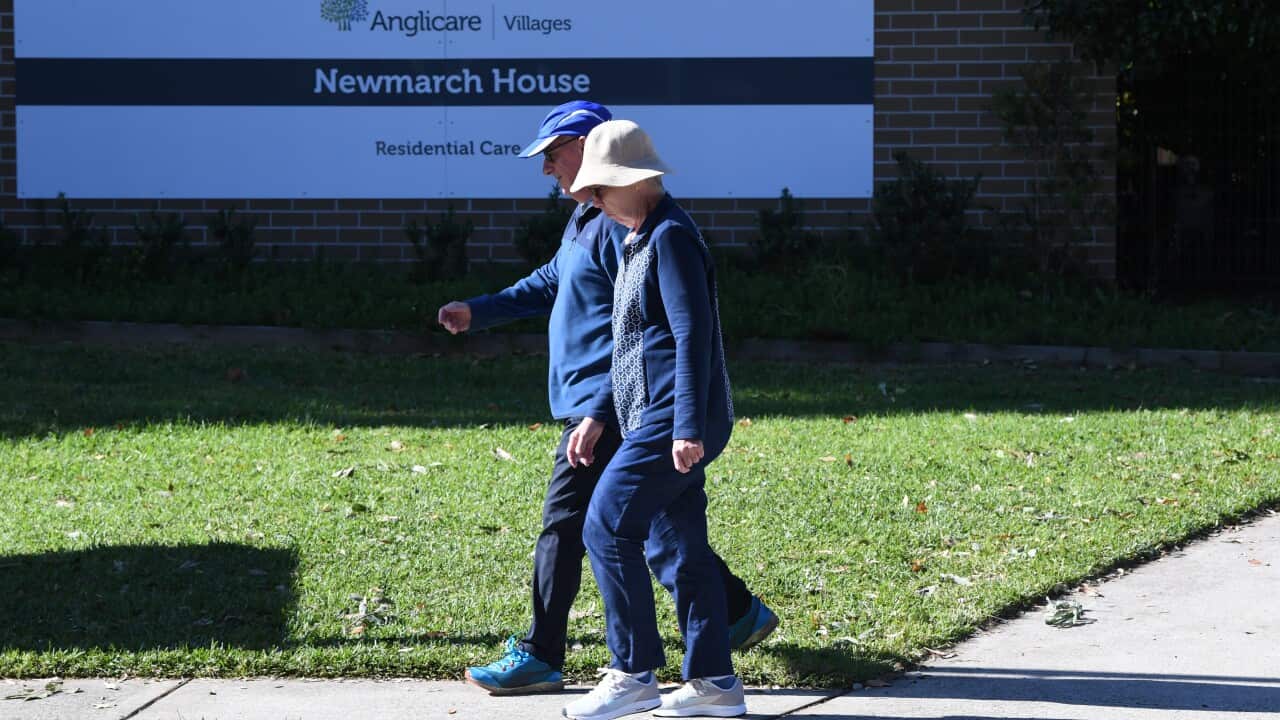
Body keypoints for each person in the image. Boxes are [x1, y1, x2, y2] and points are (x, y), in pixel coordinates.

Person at [436, 101, 777, 697]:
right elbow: (550, 284)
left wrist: (606, 410)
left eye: (553, 155)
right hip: (615, 407)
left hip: (630, 406)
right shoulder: (593, 223)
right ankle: (727, 633)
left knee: (583, 526)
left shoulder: (636, 228)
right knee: (662, 532)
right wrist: (479, 310)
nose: (551, 172)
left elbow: (656, 333)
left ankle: (587, 661)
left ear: (590, 148)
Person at [561, 120, 745, 720]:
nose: (591, 201)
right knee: (684, 547)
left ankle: (633, 671)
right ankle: (715, 683)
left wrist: (687, 425)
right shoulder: (644, 233)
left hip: (672, 418)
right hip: (655, 414)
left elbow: (694, 335)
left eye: (599, 190)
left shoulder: (670, 238)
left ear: (635, 182)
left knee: (605, 526)